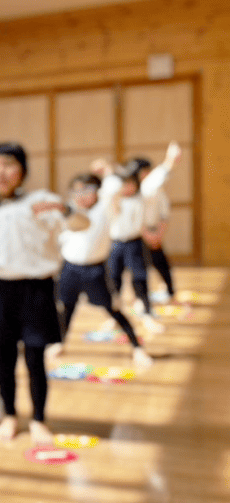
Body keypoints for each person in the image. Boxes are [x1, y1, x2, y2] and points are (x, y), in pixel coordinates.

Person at [0, 142, 88, 445]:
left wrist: (66, 209)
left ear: (23, 171)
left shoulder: (43, 200)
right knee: (1, 356)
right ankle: (10, 415)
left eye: (8, 164)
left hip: (36, 289)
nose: (0, 172)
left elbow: (83, 224)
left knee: (34, 356)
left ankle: (39, 418)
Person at [51, 166, 153, 370]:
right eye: (76, 192)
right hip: (70, 268)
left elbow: (114, 186)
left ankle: (137, 348)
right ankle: (59, 343)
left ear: (97, 192)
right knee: (66, 308)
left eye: (86, 191)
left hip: (95, 270)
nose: (80, 196)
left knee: (113, 309)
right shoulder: (71, 210)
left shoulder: (105, 207)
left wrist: (107, 170)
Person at [107, 150, 175, 335]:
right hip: (115, 244)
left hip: (135, 243)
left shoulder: (143, 195)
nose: (126, 187)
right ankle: (114, 316)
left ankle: (147, 313)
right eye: (123, 184)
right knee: (114, 280)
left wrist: (169, 160)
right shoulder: (113, 197)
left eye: (130, 183)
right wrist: (106, 170)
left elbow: (156, 180)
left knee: (140, 278)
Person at [126, 142, 182, 306]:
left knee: (160, 263)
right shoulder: (139, 189)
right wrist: (169, 160)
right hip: (139, 233)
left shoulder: (153, 188)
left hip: (153, 231)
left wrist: (158, 233)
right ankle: (141, 299)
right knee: (138, 269)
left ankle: (169, 293)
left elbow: (164, 214)